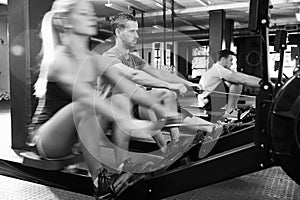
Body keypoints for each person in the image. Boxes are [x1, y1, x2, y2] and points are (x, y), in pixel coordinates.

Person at [28, 1, 179, 199]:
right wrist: (133, 122)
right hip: (48, 140)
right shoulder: (59, 59)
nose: (92, 17)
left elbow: (131, 89)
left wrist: (167, 114)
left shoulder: (93, 59)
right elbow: (90, 99)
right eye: (83, 13)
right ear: (66, 22)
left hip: (81, 133)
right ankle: (101, 181)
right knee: (84, 106)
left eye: (91, 13)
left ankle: (123, 164)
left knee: (120, 98)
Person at [101, 13, 220, 159]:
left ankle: (181, 140)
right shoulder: (108, 57)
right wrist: (170, 85)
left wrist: (187, 83)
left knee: (167, 96)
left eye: (137, 30)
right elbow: (134, 75)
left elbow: (158, 73)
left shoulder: (133, 58)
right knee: (152, 101)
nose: (137, 35)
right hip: (112, 109)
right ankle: (166, 149)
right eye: (132, 31)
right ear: (118, 32)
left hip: (134, 103)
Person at [198, 49, 261, 119]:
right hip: (207, 103)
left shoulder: (221, 69)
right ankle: (230, 111)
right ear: (223, 59)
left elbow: (243, 76)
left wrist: (264, 82)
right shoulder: (218, 69)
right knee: (236, 82)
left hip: (210, 100)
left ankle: (233, 109)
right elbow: (243, 80)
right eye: (230, 60)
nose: (232, 63)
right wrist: (264, 84)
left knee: (237, 80)